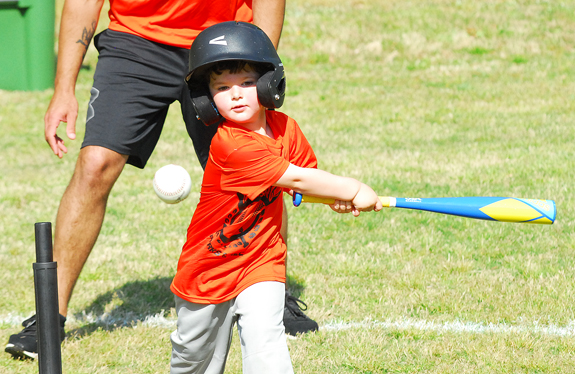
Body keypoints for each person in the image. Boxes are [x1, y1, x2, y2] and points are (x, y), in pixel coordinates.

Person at [5, 0, 317, 361]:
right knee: (95, 164)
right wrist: (64, 88)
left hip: (224, 42)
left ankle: (271, 296)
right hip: (136, 41)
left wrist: (261, 73)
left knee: (256, 165)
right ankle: (47, 318)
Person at [170, 21, 382, 374]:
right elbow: (296, 175)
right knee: (195, 358)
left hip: (262, 258)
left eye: (248, 83)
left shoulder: (286, 129)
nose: (236, 94)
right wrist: (354, 189)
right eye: (222, 87)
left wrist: (334, 199)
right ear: (207, 99)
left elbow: (304, 184)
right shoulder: (229, 144)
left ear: (269, 84)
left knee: (266, 341)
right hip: (210, 268)